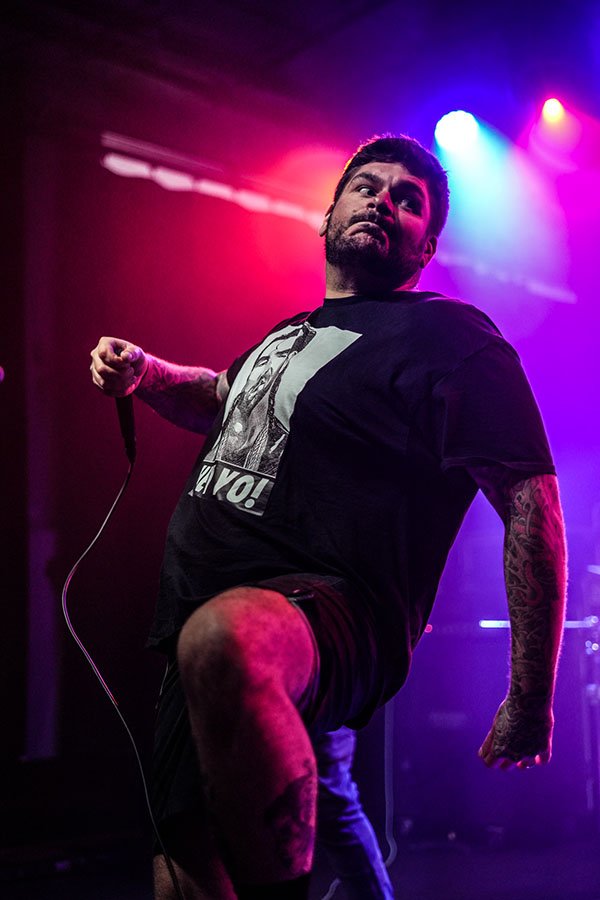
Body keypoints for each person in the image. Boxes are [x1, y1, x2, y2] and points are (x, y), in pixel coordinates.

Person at [90, 134, 567, 900]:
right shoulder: (288, 333)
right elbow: (220, 399)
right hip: (194, 618)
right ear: (329, 214)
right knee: (182, 876)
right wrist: (145, 372)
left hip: (333, 603)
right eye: (367, 186)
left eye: (408, 200)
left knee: (224, 640)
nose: (384, 201)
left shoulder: (453, 337)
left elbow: (529, 501)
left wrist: (532, 692)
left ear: (426, 248)